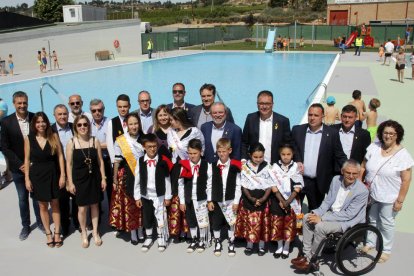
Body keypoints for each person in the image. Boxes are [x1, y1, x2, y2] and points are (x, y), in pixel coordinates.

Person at [291, 160, 369, 271]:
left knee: (320, 227)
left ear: (358, 173)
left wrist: (322, 218)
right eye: (348, 172)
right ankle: (306, 254)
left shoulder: (362, 191)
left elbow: (349, 215)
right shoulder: (336, 180)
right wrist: (317, 213)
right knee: (306, 218)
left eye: (355, 174)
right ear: (342, 171)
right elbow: (328, 201)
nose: (351, 176)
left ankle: (313, 259)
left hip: (347, 221)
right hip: (333, 214)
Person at [361, 120, 413, 263]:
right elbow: (363, 166)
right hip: (372, 192)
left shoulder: (403, 155)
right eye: (385, 132)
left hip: (390, 196)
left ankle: (385, 250)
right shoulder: (374, 147)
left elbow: (406, 180)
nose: (388, 136)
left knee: (386, 222)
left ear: (397, 135)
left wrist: (400, 200)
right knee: (371, 219)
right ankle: (370, 243)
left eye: (391, 133)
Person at [0, 91, 43, 240]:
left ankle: (41, 222)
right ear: (14, 104)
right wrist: (20, 165)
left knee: (37, 197)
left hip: (35, 166)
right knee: (22, 198)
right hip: (18, 169)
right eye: (19, 103)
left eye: (24, 102)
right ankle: (26, 226)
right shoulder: (6, 122)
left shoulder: (34, 118)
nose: (22, 105)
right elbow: (4, 147)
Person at [291, 103, 347, 210]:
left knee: (315, 212)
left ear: (323, 116)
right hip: (298, 179)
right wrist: (297, 160)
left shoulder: (332, 134)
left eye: (316, 115)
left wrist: (349, 167)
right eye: (310, 115)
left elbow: (339, 154)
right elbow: (292, 147)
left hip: (318, 182)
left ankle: (310, 227)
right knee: (294, 211)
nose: (312, 118)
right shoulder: (297, 130)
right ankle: (296, 227)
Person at [24, 112, 65, 248]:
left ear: (47, 123)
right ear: (34, 124)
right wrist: (27, 179)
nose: (41, 124)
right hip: (37, 176)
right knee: (42, 206)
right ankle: (48, 233)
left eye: (43, 121)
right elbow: (27, 159)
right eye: (38, 122)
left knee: (55, 204)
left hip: (53, 173)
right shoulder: (29, 139)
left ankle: (57, 232)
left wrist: (63, 175)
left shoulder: (53, 136)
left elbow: (60, 156)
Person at [66, 115, 107, 248]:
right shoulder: (71, 142)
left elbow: (100, 161)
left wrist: (103, 178)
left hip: (94, 178)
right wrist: (70, 182)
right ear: (75, 127)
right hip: (79, 180)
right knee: (82, 208)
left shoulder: (95, 141)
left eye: (85, 124)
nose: (82, 127)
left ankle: (95, 232)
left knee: (95, 205)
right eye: (79, 125)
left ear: (89, 126)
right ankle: (83, 232)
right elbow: (69, 164)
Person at [134, 133, 173, 252]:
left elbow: (167, 180)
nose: (152, 149)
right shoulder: (140, 161)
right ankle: (149, 237)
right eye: (149, 146)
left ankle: (161, 238)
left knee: (160, 216)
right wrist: (137, 197)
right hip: (146, 195)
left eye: (154, 146)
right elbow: (137, 179)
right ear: (144, 147)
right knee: (147, 216)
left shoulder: (162, 161)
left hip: (159, 195)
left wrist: (167, 196)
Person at [109, 113, 144, 245]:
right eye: (131, 124)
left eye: (136, 123)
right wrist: (115, 179)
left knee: (141, 205)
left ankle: (141, 229)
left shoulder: (144, 138)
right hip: (127, 176)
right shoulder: (121, 141)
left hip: (143, 175)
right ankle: (133, 231)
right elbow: (117, 162)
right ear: (126, 125)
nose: (134, 126)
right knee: (130, 205)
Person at [235, 142, 272, 256]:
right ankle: (249, 245)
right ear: (250, 155)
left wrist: (263, 199)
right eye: (255, 157)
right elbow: (243, 185)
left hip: (263, 199)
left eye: (261, 156)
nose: (258, 159)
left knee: (261, 224)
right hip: (248, 199)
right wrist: (251, 198)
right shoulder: (245, 167)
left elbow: (270, 185)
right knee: (249, 224)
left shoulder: (268, 166)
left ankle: (261, 246)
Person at [208, 138, 242, 257]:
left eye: (224, 151)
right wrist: (210, 200)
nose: (221, 154)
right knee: (216, 223)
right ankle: (217, 241)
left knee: (231, 223)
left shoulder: (235, 166)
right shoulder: (212, 166)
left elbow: (238, 185)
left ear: (230, 150)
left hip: (230, 200)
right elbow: (209, 184)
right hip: (217, 200)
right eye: (219, 151)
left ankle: (231, 242)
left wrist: (236, 201)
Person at [269, 144, 303, 259]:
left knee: (289, 224)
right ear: (280, 155)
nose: (286, 157)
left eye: (288, 154)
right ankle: (279, 246)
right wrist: (281, 200)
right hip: (277, 200)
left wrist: (288, 201)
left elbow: (298, 186)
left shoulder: (295, 167)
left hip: (291, 201)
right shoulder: (274, 167)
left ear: (292, 155)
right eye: (283, 154)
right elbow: (273, 185)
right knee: (277, 223)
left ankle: (287, 246)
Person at [178, 138, 212, 253]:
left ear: (201, 152)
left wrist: (209, 200)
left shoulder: (207, 165)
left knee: (202, 220)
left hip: (201, 198)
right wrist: (182, 201)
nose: (192, 156)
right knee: (191, 220)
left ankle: (202, 240)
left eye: (195, 153)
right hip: (189, 198)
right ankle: (194, 239)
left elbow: (210, 184)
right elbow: (181, 185)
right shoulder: (184, 165)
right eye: (190, 153)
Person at [242, 90, 291, 164]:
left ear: (272, 104)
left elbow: (288, 145)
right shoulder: (250, 118)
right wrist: (244, 159)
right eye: (261, 103)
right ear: (257, 104)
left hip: (275, 166)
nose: (264, 106)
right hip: (254, 165)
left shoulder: (283, 121)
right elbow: (244, 142)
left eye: (267, 103)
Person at [51, 104, 78, 236]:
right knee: (63, 201)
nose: (62, 116)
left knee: (77, 198)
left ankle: (79, 223)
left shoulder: (75, 127)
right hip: (59, 171)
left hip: (75, 169)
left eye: (64, 114)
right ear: (54, 115)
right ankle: (65, 226)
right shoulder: (50, 131)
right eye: (59, 114)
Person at [89, 99, 112, 224]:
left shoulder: (110, 123)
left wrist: (95, 144)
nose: (97, 113)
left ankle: (112, 219)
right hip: (93, 162)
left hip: (107, 161)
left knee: (110, 191)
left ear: (104, 109)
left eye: (99, 110)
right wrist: (104, 144)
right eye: (94, 110)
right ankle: (95, 220)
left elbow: (112, 143)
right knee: (94, 192)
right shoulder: (87, 124)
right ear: (91, 111)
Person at [106, 94, 131, 164]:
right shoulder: (112, 122)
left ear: (129, 106)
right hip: (118, 163)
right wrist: (114, 162)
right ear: (117, 107)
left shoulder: (135, 120)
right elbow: (110, 144)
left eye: (125, 106)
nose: (122, 109)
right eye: (120, 107)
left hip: (134, 163)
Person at [0, 97, 12, 185]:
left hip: (2, 133)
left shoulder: (2, 104)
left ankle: (9, 172)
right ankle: (8, 172)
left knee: (5, 153)